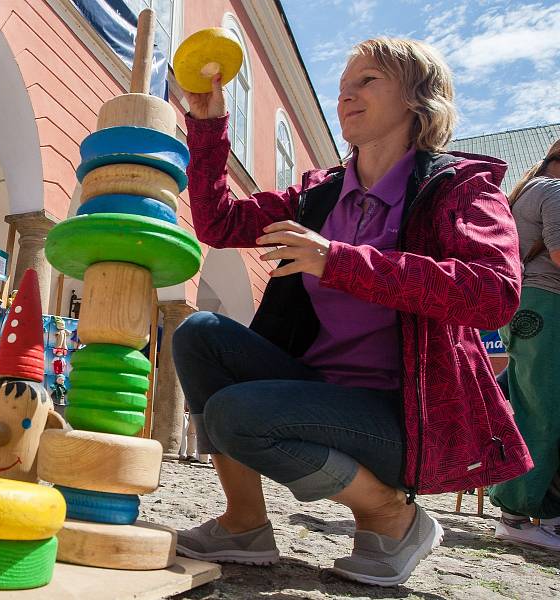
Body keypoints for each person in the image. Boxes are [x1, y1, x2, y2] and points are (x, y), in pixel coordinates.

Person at [172, 37, 531, 586]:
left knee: (234, 413)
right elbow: (218, 224)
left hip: (399, 414)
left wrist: (336, 260)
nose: (346, 95)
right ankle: (244, 524)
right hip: (314, 389)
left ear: (419, 98)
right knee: (200, 333)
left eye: (368, 81)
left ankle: (391, 515)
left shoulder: (459, 188)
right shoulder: (319, 194)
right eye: (343, 86)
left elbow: (494, 292)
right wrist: (208, 124)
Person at [489, 140, 560, 549]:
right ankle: (517, 514)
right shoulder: (554, 191)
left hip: (523, 305)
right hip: (546, 302)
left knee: (536, 405)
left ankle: (531, 513)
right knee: (544, 412)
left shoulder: (526, 192)